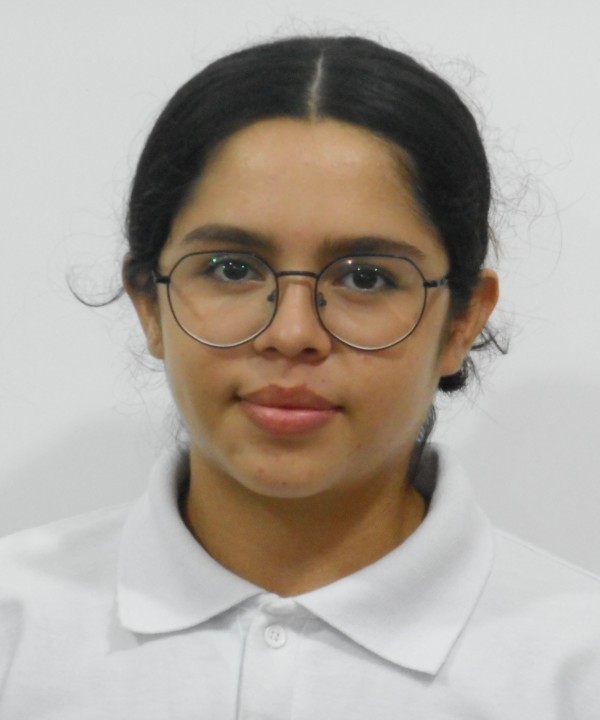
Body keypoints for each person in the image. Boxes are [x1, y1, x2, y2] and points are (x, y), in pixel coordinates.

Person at [0, 35, 598, 718]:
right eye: (231, 268)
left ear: (461, 320)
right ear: (148, 303)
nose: (291, 334)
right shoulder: (17, 629)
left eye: (365, 278)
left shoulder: (574, 668)